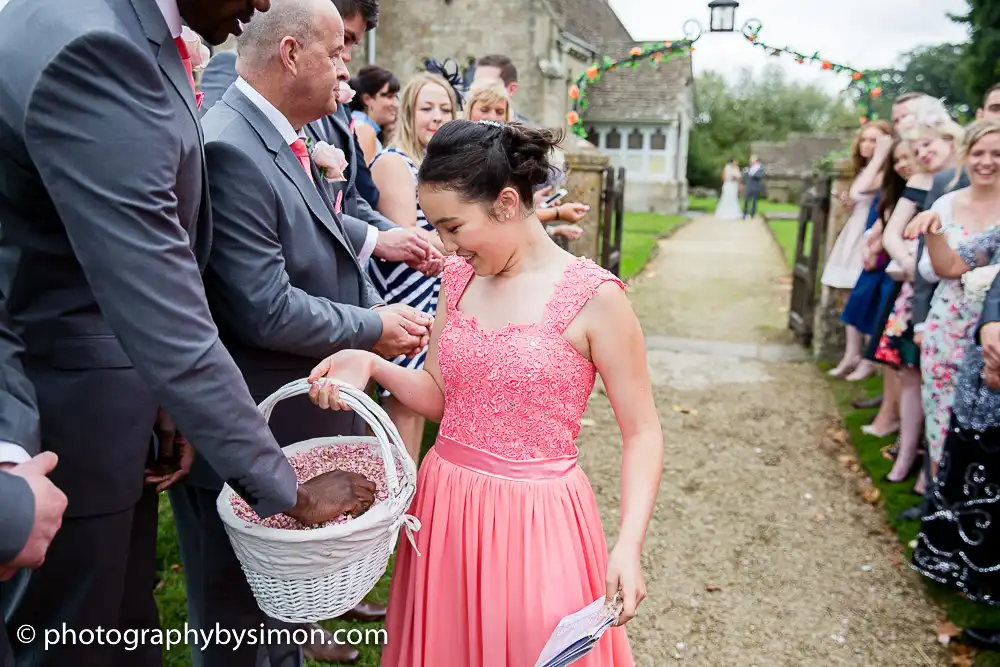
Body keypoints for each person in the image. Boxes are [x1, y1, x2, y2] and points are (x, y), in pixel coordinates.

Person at [0, 0, 375, 664]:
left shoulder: (113, 25)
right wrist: (284, 485)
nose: (261, 3)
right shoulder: (95, 47)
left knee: (124, 629)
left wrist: (163, 401)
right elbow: (162, 302)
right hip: (69, 432)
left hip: (120, 410)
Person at [307, 119, 664, 666]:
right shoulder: (459, 278)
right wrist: (371, 365)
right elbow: (440, 397)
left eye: (453, 227)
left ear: (503, 203)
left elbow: (641, 433)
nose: (444, 245)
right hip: (446, 508)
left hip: (539, 522)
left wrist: (629, 545)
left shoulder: (596, 299)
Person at [171, 1, 433, 665]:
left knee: (281, 624)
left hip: (287, 427)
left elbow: (305, 221)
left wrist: (378, 237)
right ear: (291, 54)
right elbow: (262, 305)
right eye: (335, 53)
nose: (346, 69)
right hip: (249, 430)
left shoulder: (275, 131)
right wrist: (373, 325)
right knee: (237, 632)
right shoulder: (231, 145)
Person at [907, 121, 1000, 649]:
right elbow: (943, 268)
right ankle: (949, 535)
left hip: (989, 332)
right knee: (944, 432)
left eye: (997, 153)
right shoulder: (949, 199)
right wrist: (934, 229)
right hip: (951, 328)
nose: (987, 162)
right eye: (980, 152)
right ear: (967, 155)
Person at [823, 120, 894, 380]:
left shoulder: (884, 170)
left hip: (869, 237)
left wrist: (882, 156)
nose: (867, 145)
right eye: (864, 140)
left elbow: (861, 189)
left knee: (864, 295)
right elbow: (858, 197)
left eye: (874, 140)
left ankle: (867, 358)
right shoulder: (868, 168)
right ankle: (851, 354)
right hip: (855, 231)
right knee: (850, 295)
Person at [348, 64, 400, 164]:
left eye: (396, 97)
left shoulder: (356, 123)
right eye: (389, 96)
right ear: (367, 99)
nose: (396, 104)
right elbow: (363, 178)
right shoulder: (364, 130)